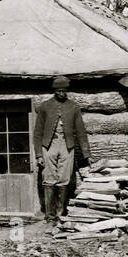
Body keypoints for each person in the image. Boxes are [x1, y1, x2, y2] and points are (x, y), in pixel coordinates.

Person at [34, 76, 90, 229]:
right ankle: (49, 216)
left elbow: (81, 131)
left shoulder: (74, 107)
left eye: (64, 91)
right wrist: (39, 154)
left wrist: (86, 153)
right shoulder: (45, 106)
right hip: (48, 146)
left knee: (64, 179)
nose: (61, 93)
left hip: (67, 146)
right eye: (58, 90)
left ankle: (60, 215)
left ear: (67, 91)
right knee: (48, 178)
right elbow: (37, 133)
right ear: (54, 91)